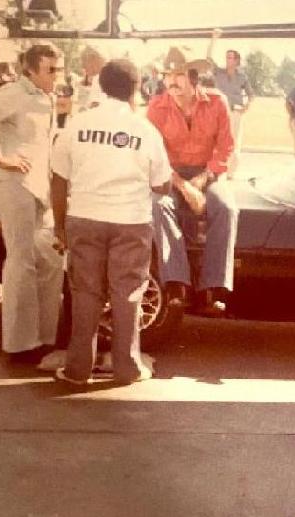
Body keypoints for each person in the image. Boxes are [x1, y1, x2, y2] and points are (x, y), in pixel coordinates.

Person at [50, 59, 171, 386]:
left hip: (85, 217)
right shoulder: (146, 131)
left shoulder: (77, 124)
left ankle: (77, 370)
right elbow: (163, 184)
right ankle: (127, 368)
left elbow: (58, 178)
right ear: (136, 89)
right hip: (131, 221)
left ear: (101, 86)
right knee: (127, 292)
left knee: (85, 293)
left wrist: (60, 225)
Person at [0, 43, 64, 362]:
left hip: (41, 188)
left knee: (50, 260)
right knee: (21, 262)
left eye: (58, 68)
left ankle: (44, 336)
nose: (57, 75)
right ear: (32, 70)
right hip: (16, 185)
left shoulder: (46, 97)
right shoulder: (15, 92)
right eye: (51, 69)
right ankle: (21, 345)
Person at [147, 48, 236, 316]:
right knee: (159, 206)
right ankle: (176, 284)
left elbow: (226, 148)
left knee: (228, 209)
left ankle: (213, 289)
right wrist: (183, 186)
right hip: (170, 174)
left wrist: (202, 180)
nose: (171, 82)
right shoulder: (156, 107)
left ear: (194, 78)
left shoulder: (217, 102)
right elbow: (154, 155)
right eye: (167, 75)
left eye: (178, 75)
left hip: (207, 173)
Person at [207, 28, 254, 175]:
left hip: (234, 112)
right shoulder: (218, 72)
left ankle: (230, 173)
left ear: (237, 60)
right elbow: (208, 58)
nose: (228, 60)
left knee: (234, 143)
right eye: (227, 57)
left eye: (231, 57)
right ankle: (216, 170)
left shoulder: (242, 77)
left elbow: (251, 95)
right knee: (215, 141)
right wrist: (214, 38)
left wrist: (246, 107)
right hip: (218, 112)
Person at [75, 46, 105, 112]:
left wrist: (84, 110)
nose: (83, 66)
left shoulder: (99, 79)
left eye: (84, 61)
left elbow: (95, 105)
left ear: (93, 60)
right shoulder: (97, 78)